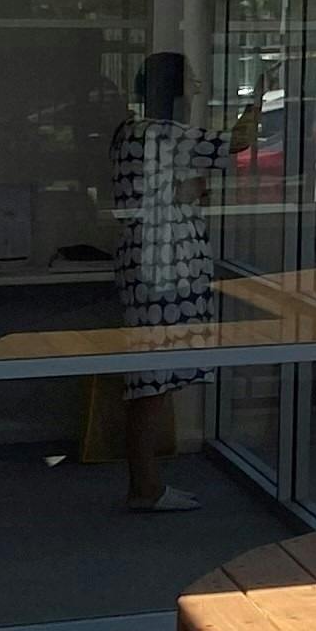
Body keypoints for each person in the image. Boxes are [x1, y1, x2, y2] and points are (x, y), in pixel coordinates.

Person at [107, 52, 220, 513]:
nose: (195, 87)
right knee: (152, 381)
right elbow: (237, 144)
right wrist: (256, 99)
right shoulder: (162, 132)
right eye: (189, 80)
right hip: (163, 264)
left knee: (150, 379)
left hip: (146, 259)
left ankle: (147, 480)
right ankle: (145, 486)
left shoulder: (130, 133)